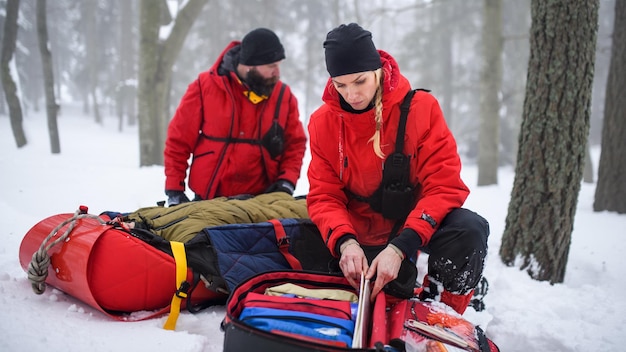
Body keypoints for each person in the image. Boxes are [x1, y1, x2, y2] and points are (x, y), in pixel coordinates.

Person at [306, 23, 489, 315]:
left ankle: (444, 310)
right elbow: (324, 195)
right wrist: (344, 242)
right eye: (340, 85)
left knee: (469, 229)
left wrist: (401, 246)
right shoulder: (322, 123)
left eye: (359, 81)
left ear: (377, 70)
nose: (351, 94)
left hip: (412, 227)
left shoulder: (422, 109)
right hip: (359, 232)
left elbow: (444, 186)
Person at [164, 28, 307, 206]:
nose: (277, 73)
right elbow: (179, 140)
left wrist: (287, 182)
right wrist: (174, 189)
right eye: (271, 66)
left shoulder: (284, 96)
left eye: (278, 65)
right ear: (250, 65)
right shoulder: (204, 87)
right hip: (208, 201)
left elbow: (295, 144)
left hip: (262, 204)